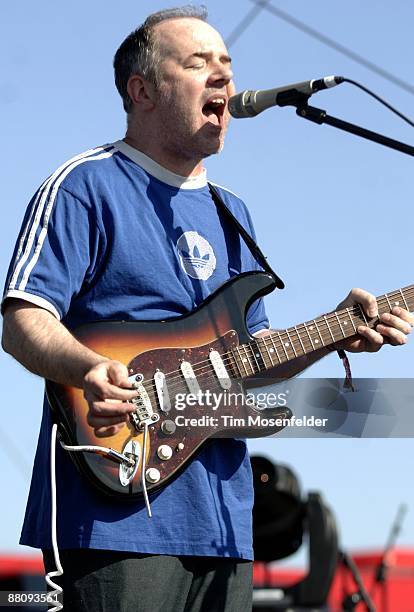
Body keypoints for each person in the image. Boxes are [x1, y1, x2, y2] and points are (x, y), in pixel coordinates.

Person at [2, 6, 413, 612]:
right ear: (141, 90)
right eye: (198, 63)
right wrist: (87, 367)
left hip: (224, 522)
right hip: (117, 513)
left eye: (227, 63)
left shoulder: (233, 215)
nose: (223, 76)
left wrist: (335, 333)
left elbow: (256, 364)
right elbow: (21, 318)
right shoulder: (84, 185)